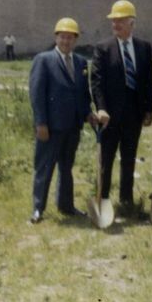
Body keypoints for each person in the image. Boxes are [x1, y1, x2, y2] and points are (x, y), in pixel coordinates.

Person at [28, 17, 96, 223]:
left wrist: (88, 114)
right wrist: (41, 123)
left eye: (70, 37)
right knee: (45, 167)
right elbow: (37, 93)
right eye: (62, 37)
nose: (66, 41)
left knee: (66, 167)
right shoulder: (43, 60)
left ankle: (66, 205)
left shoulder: (81, 62)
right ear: (56, 38)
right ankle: (38, 208)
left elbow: (84, 94)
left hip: (72, 126)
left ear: (75, 40)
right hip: (50, 126)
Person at [90, 0, 152, 214]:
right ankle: (103, 199)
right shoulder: (103, 48)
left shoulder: (144, 48)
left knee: (129, 158)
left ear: (131, 22)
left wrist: (149, 110)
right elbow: (96, 81)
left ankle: (126, 201)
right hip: (109, 115)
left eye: (120, 21)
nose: (115, 25)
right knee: (106, 160)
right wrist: (101, 108)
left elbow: (148, 81)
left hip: (134, 115)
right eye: (113, 21)